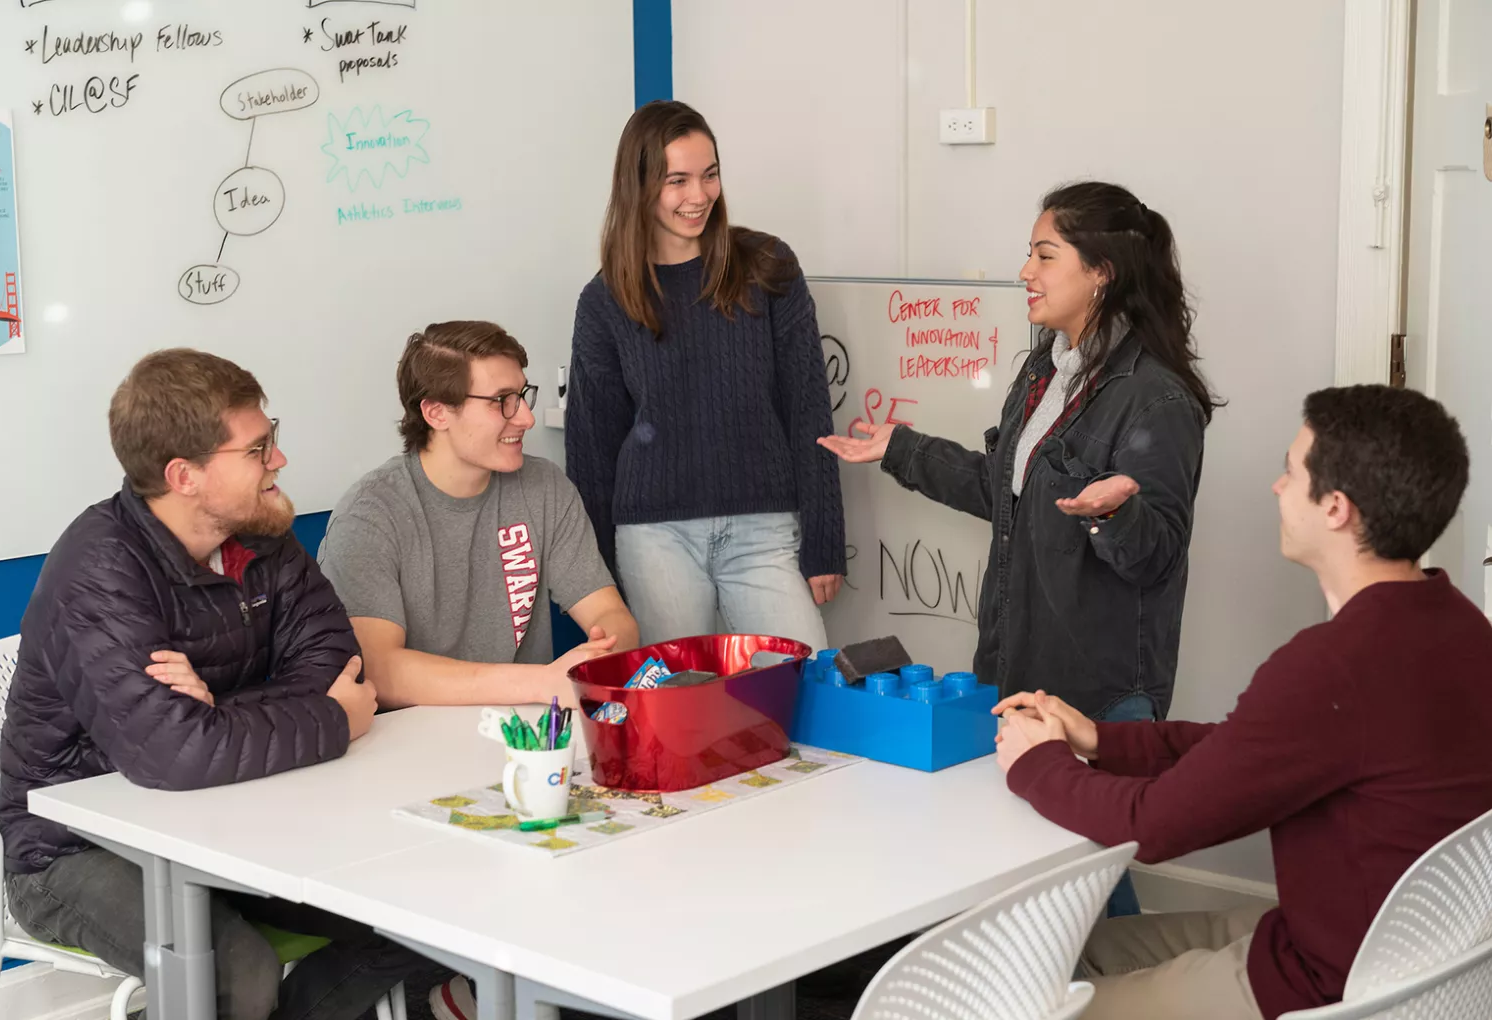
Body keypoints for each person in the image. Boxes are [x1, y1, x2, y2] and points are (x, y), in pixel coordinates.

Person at [992, 385, 1492, 1020]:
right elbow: (1252, 748)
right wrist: (1100, 740)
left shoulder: (1334, 666)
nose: (1277, 489)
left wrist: (1037, 763)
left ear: (1336, 508)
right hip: (1388, 956)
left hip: (1326, 986)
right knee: (1070, 955)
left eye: (1290, 472)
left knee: (1032, 1002)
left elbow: (1152, 827)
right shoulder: (1460, 627)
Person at [0, 349, 439, 1020]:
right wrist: (326, 720)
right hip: (70, 847)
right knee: (238, 970)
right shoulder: (97, 569)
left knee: (420, 918)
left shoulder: (259, 534)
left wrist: (213, 713)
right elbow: (177, 755)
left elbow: (335, 668)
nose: (279, 461)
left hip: (233, 811)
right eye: (258, 448)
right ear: (186, 477)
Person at [818, 182, 1218, 915]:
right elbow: (1002, 493)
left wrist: (1108, 515)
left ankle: (1117, 987)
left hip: (1097, 686)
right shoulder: (1045, 372)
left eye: (1044, 254)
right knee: (1034, 867)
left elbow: (1156, 555)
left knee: (1089, 875)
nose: (1025, 272)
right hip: (1014, 661)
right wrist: (897, 449)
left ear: (1102, 270)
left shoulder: (1157, 398)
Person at [565, 99, 846, 651]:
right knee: (678, 708)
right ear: (639, 186)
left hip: (765, 529)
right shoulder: (604, 301)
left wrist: (825, 541)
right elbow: (592, 450)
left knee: (802, 687)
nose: (699, 196)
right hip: (654, 538)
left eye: (710, 174)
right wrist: (598, 584)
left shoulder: (768, 267)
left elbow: (809, 409)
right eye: (677, 180)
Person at [319, 320, 637, 711]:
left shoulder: (545, 486)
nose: (526, 418)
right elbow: (379, 670)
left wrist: (604, 652)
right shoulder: (369, 513)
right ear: (437, 413)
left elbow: (609, 613)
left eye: (522, 395)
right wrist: (542, 683)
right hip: (414, 742)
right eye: (501, 400)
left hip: (529, 729)